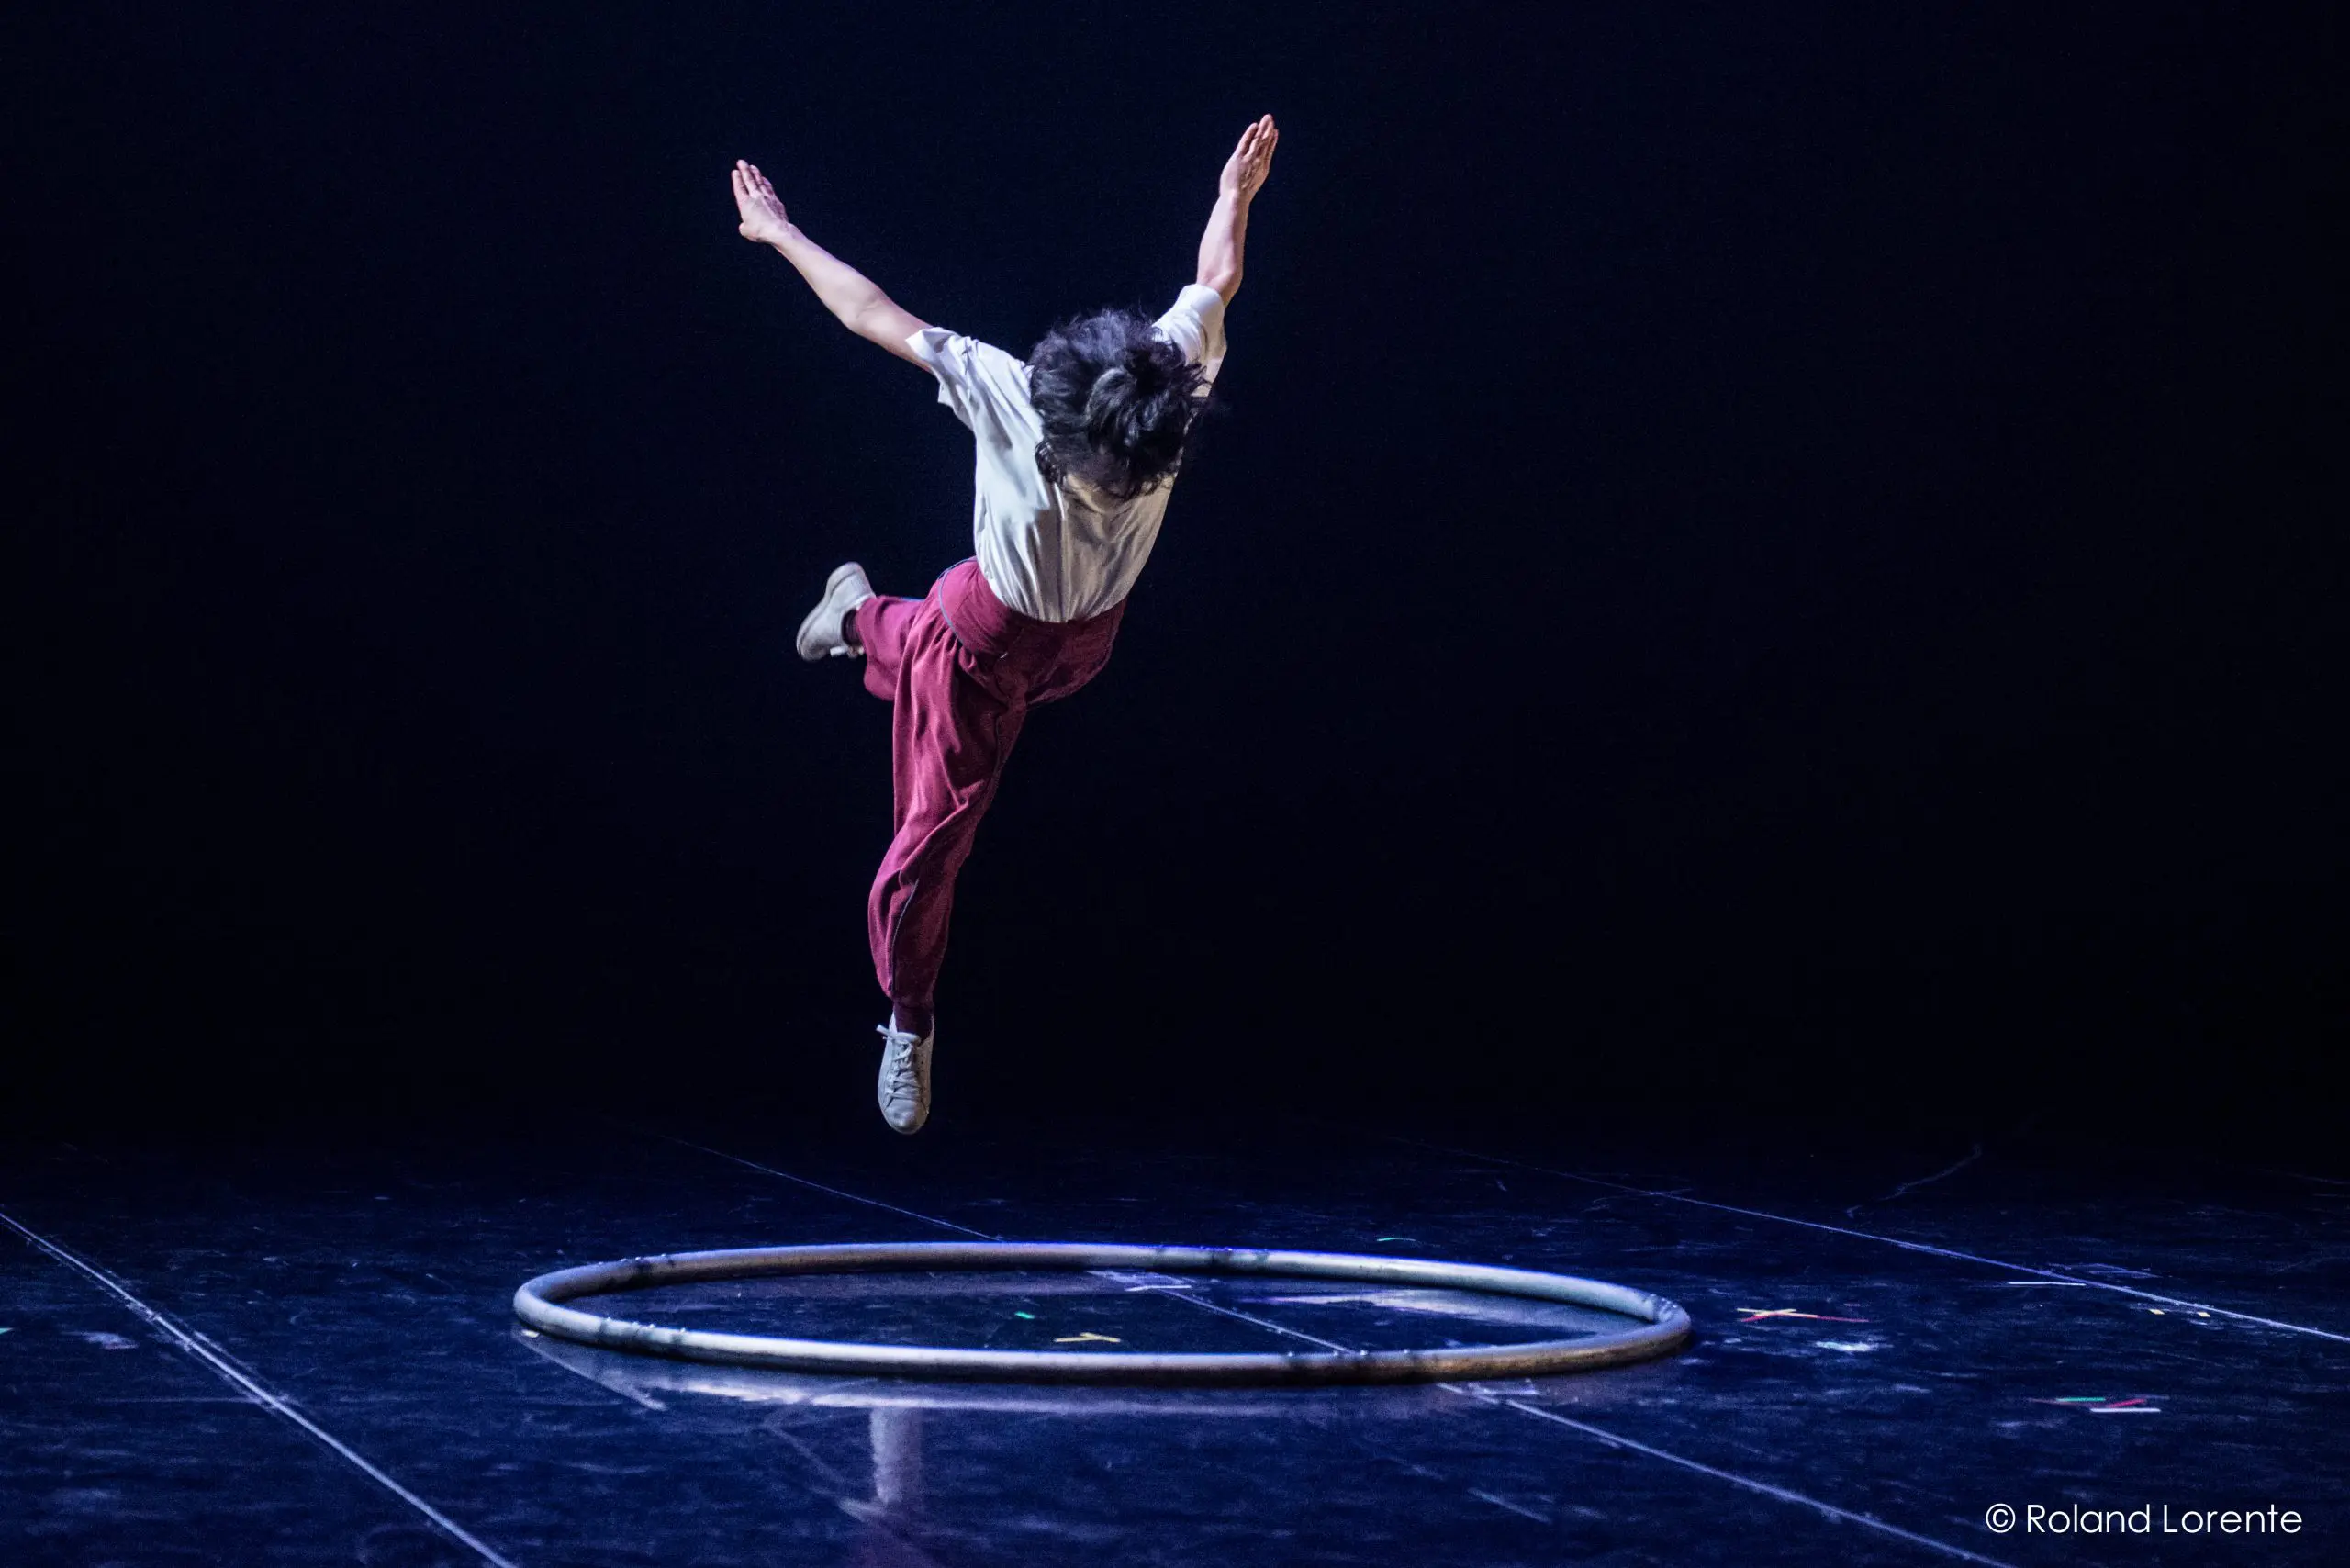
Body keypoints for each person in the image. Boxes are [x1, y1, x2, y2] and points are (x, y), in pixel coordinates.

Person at [730, 116, 1279, 1133]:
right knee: (928, 850)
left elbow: (1217, 276)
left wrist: (1231, 197)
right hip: (984, 642)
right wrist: (781, 235)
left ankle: (856, 614)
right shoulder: (1007, 393)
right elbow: (873, 315)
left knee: (935, 646)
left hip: (1080, 649)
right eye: (1102, 477)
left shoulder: (1164, 375)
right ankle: (907, 1019)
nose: (1116, 490)